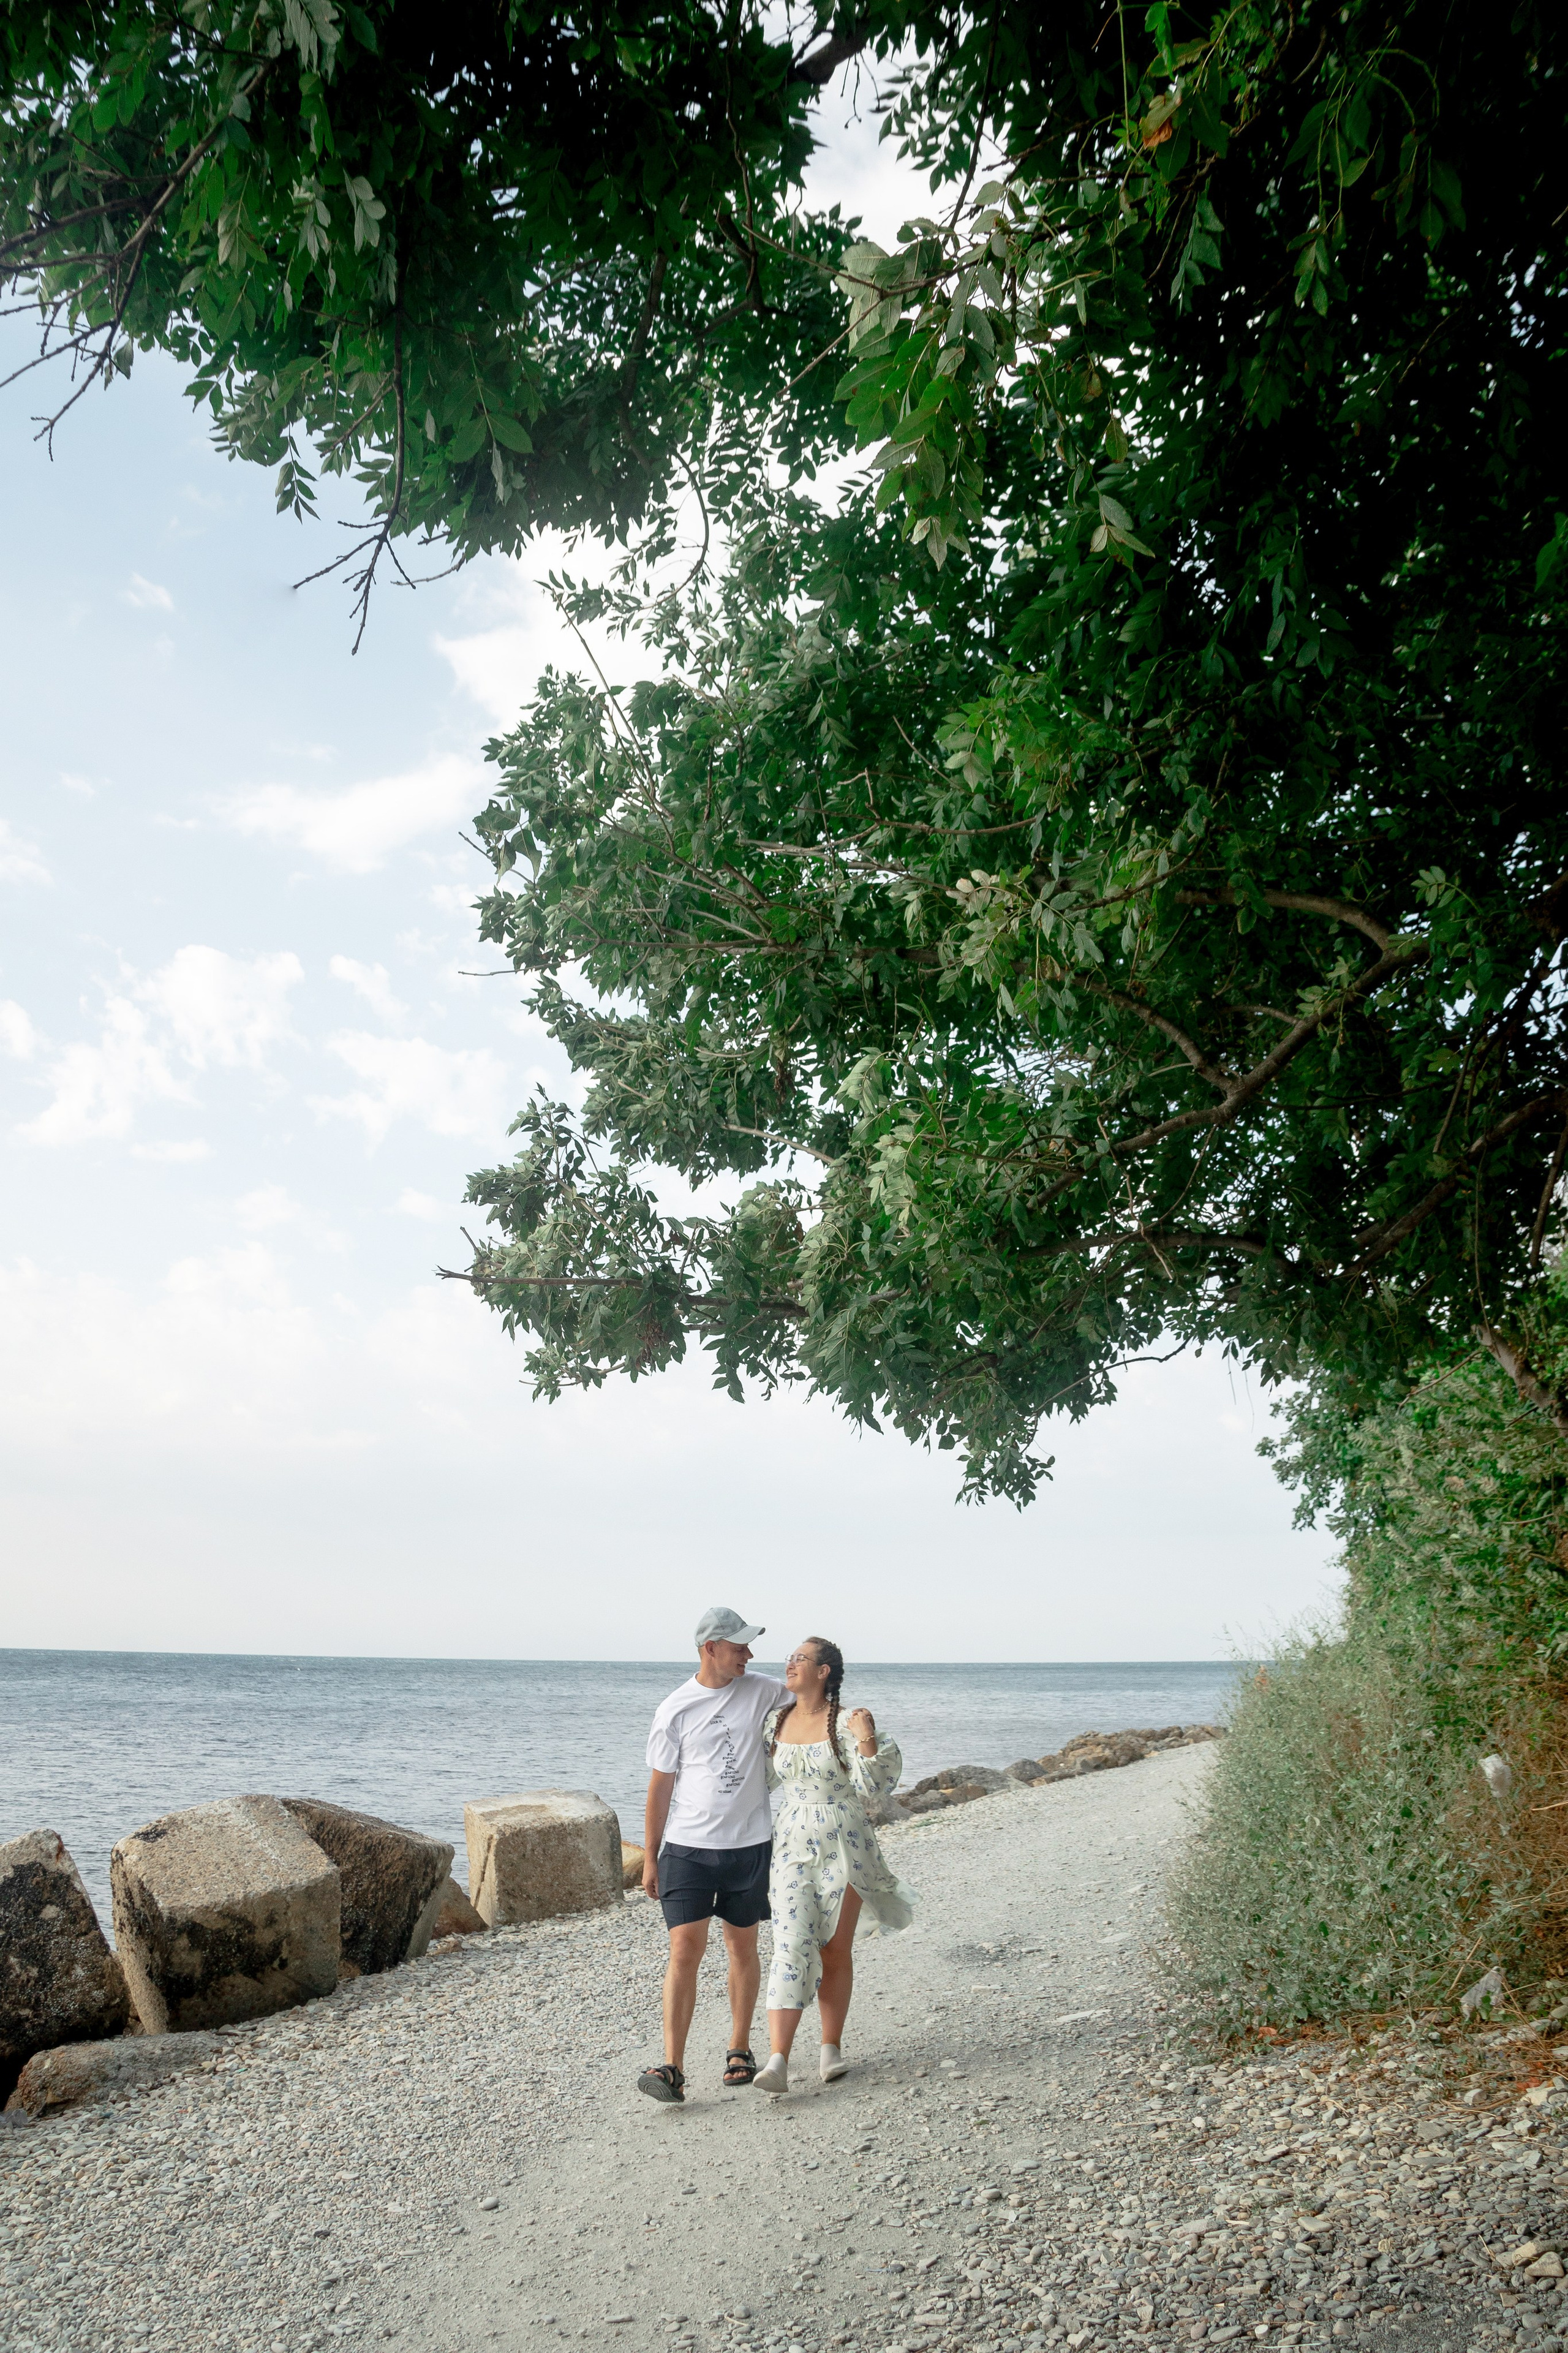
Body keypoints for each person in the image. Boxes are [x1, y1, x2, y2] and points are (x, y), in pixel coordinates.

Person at [636, 1606, 787, 2103]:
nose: (748, 1653)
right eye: (739, 1645)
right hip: (687, 1849)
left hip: (749, 1845)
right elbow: (660, 1788)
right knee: (685, 1951)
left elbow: (812, 1704)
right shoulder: (674, 1708)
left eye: (748, 1646)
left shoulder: (765, 1690)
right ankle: (672, 2067)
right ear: (711, 1649)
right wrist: (651, 1857)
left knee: (743, 1948)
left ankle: (739, 2048)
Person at [752, 1636, 914, 2096]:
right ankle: (778, 2059)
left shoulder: (844, 1722)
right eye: (790, 1657)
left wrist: (866, 1737)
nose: (790, 1663)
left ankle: (830, 2049)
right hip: (790, 1842)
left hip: (845, 1840)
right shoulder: (774, 1721)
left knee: (833, 1948)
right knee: (789, 1941)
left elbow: (874, 1786)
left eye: (800, 1658)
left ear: (823, 1671)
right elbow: (760, 1781)